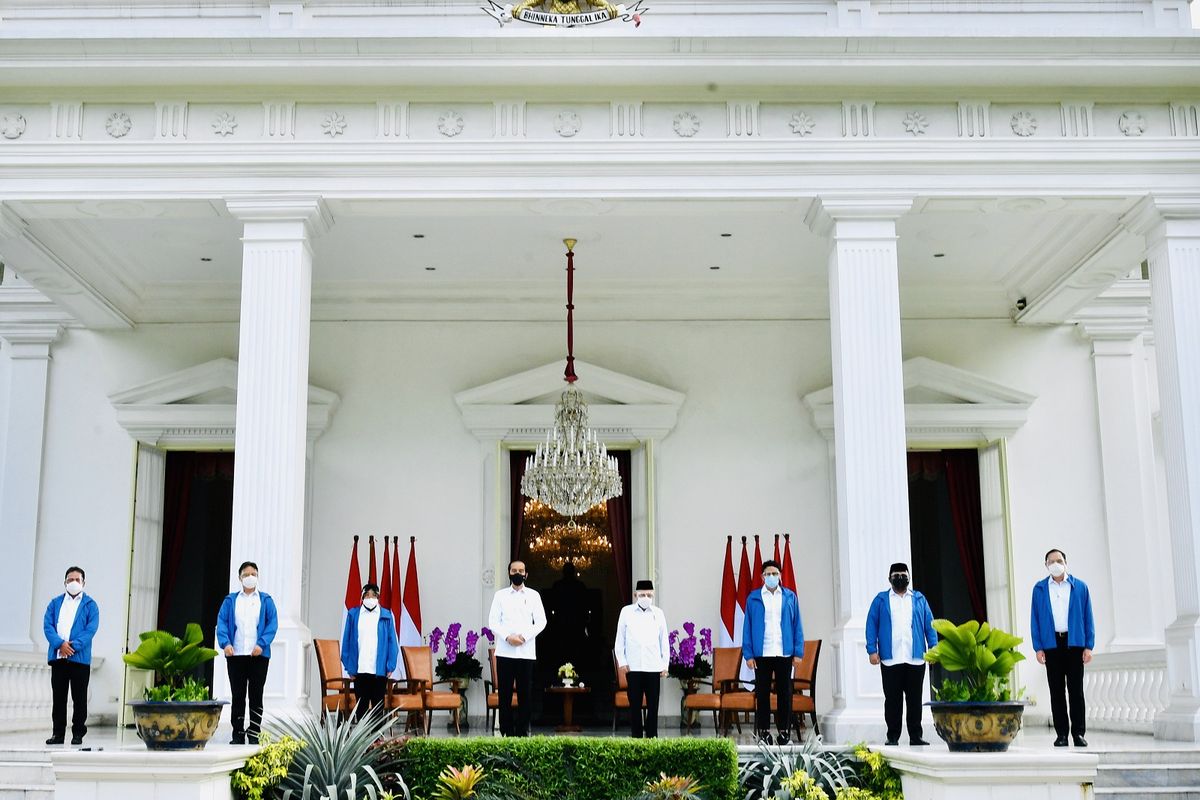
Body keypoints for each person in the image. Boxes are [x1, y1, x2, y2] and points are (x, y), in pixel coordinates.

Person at [865, 562, 937, 746]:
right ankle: (893, 736)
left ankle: (916, 736)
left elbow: (930, 625)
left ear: (909, 577)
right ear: (890, 578)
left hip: (915, 658)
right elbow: (871, 625)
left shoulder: (919, 599)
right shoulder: (881, 600)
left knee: (914, 699)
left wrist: (934, 649)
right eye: (896, 575)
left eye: (903, 575)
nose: (900, 578)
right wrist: (872, 650)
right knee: (892, 700)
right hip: (891, 659)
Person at [1031, 548, 1094, 747]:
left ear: (1065, 563)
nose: (1056, 564)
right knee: (1056, 691)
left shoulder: (1080, 587)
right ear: (1046, 565)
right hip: (1052, 644)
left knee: (1076, 691)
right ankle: (1062, 735)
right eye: (1051, 561)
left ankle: (1078, 733)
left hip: (1074, 643)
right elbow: (1035, 619)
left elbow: (1088, 617)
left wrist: (1088, 646)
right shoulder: (1040, 589)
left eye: (1059, 560)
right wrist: (1038, 647)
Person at [742, 559, 805, 745]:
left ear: (780, 576)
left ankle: (784, 731)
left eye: (774, 574)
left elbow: (797, 625)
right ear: (762, 577)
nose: (771, 577)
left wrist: (798, 651)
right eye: (768, 574)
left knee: (785, 693)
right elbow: (748, 627)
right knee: (762, 694)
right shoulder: (753, 598)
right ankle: (763, 732)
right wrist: (749, 654)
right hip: (762, 653)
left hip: (783, 652)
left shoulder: (789, 597)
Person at [216, 561, 278, 745]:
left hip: (258, 656)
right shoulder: (231, 601)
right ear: (240, 578)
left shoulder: (265, 600)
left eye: (253, 574)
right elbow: (222, 624)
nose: (250, 577)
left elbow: (272, 624)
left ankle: (254, 732)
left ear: (257, 577)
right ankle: (237, 733)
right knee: (238, 695)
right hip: (236, 655)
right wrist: (225, 644)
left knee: (256, 695)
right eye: (246, 574)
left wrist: (262, 644)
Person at [487, 559, 547, 736]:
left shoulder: (534, 596)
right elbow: (493, 621)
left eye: (521, 570)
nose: (518, 574)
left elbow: (542, 621)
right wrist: (507, 637)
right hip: (505, 652)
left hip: (526, 653)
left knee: (525, 695)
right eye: (514, 571)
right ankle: (506, 732)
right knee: (504, 695)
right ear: (509, 573)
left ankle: (522, 732)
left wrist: (524, 637)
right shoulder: (500, 596)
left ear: (526, 574)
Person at [42, 566, 99, 746]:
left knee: (79, 698)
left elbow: (91, 629)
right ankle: (58, 734)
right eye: (70, 580)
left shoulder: (90, 605)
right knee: (59, 698)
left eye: (77, 580)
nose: (73, 583)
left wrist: (72, 647)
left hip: (79, 659)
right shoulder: (55, 603)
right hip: (59, 658)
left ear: (83, 582)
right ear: (64, 582)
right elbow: (48, 626)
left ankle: (78, 734)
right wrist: (60, 644)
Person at [614, 579, 669, 738]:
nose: (646, 597)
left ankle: (652, 739)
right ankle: (636, 738)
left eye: (649, 594)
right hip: (634, 667)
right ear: (635, 595)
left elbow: (663, 640)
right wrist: (622, 662)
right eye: (642, 594)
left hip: (653, 667)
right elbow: (620, 640)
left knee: (653, 706)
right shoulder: (626, 612)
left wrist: (664, 664)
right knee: (635, 706)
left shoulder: (658, 613)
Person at [340, 583, 400, 719]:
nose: (370, 598)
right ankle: (363, 739)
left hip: (379, 670)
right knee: (361, 706)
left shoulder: (386, 616)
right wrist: (350, 667)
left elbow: (392, 643)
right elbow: (347, 642)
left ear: (378, 597)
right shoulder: (353, 614)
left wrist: (390, 665)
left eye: (374, 595)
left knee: (378, 706)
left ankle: (378, 738)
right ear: (362, 597)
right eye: (367, 595)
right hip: (360, 669)